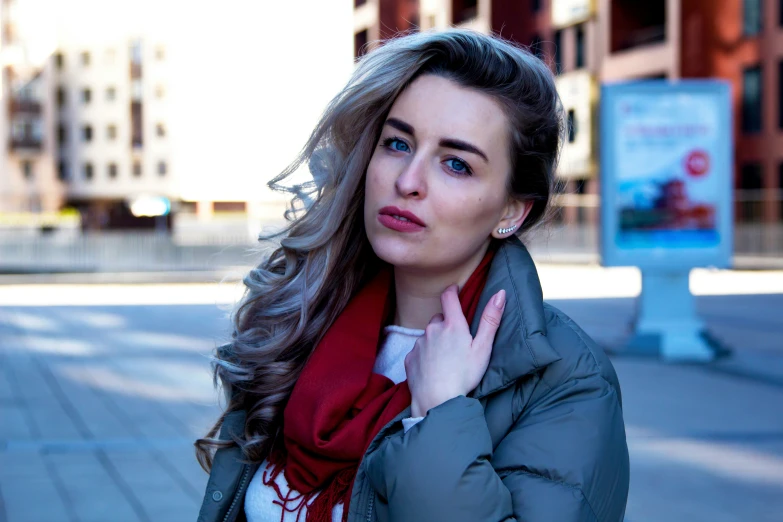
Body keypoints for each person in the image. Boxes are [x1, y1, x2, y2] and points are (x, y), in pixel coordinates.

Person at [196, 29, 630, 522]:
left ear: (512, 209)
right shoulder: (305, 321)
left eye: (455, 164)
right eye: (398, 143)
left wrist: (440, 417)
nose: (407, 181)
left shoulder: (563, 377)